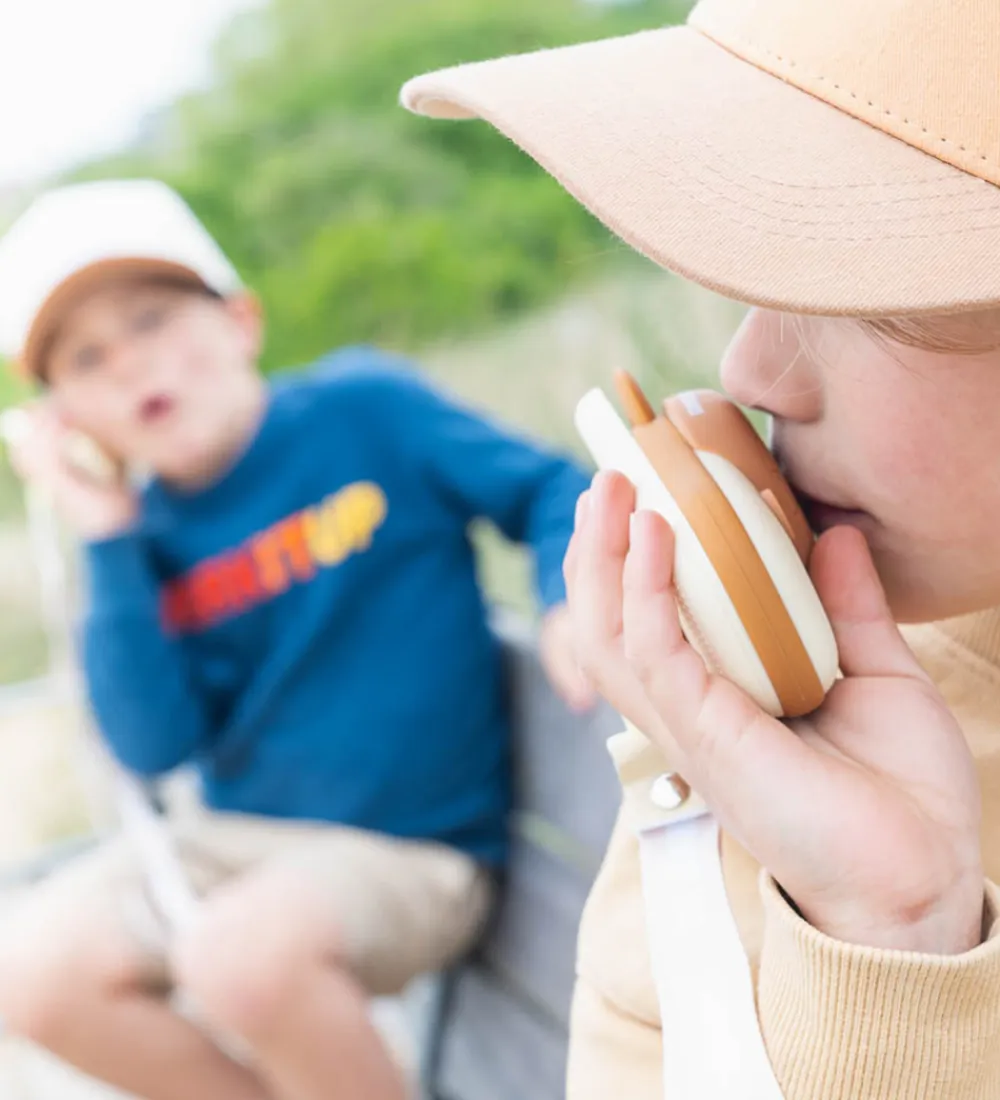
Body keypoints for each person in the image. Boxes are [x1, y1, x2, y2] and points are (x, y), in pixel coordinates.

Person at [401, 1, 1000, 1097]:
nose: (749, 371)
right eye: (758, 284)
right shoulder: (765, 798)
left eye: (867, 298)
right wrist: (894, 932)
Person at [0, 178, 592, 1100]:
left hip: (412, 853)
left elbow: (551, 489)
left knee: (238, 959)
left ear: (240, 321)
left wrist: (567, 598)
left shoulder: (365, 413)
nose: (125, 365)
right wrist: (107, 535)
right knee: (30, 976)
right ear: (65, 421)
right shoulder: (140, 539)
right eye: (84, 358)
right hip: (239, 840)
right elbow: (154, 745)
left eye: (151, 320)